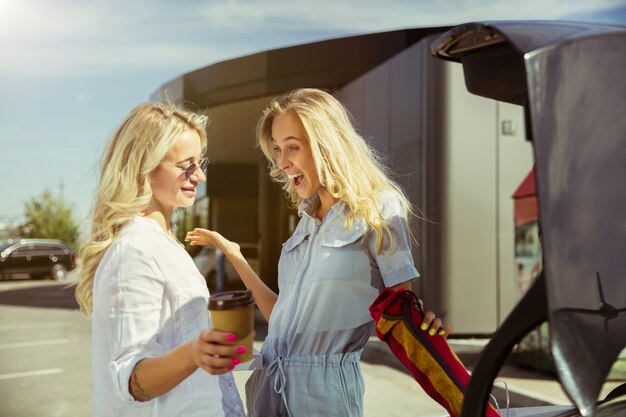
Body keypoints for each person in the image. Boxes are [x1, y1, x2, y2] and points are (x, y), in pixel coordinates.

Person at [186, 88, 451, 417]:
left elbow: (402, 311)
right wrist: (234, 255)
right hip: (268, 394)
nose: (282, 163)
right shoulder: (305, 224)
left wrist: (426, 328)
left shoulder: (378, 208)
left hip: (324, 400)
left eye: (292, 148)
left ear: (326, 144)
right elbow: (281, 317)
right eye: (278, 150)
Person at [75, 103, 246, 417]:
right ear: (145, 167)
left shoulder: (164, 243)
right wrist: (194, 353)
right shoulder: (134, 250)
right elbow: (130, 381)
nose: (201, 176)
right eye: (186, 164)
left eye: (200, 162)